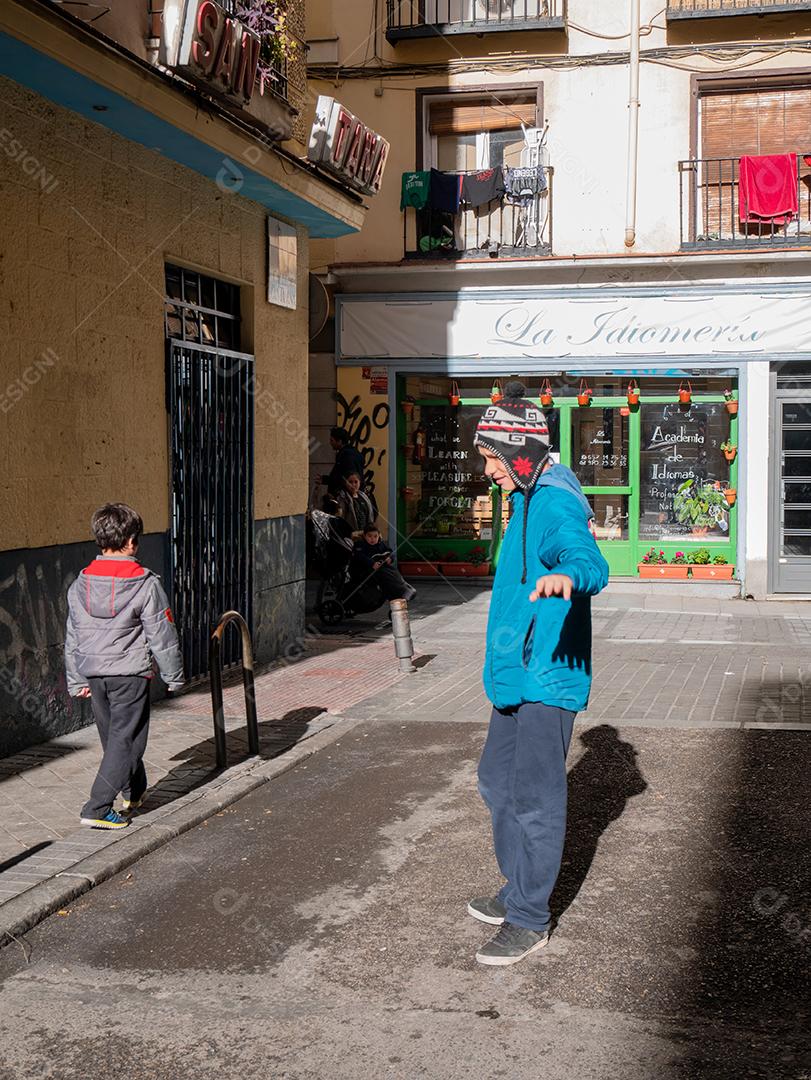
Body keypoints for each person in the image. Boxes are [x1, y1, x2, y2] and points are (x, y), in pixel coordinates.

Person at [468, 381, 609, 967]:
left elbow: (588, 560)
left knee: (533, 794)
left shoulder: (551, 500)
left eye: (492, 461)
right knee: (496, 781)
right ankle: (517, 885)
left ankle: (529, 916)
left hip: (547, 676)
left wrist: (569, 577)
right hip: (515, 671)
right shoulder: (526, 494)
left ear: (518, 453)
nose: (489, 474)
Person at [65, 503, 185, 830]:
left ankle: (134, 791)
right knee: (127, 740)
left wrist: (77, 680)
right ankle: (97, 807)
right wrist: (173, 676)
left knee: (115, 738)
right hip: (129, 674)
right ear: (131, 541)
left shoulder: (80, 584)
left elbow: (72, 635)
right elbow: (162, 632)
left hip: (95, 672)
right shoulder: (144, 583)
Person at [352, 524, 416, 602]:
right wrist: (371, 563)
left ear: (379, 536)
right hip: (366, 569)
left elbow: (389, 551)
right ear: (365, 536)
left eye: (375, 536)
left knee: (393, 572)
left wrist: (390, 558)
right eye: (370, 536)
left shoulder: (380, 544)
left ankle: (405, 589)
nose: (373, 539)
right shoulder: (360, 545)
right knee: (385, 575)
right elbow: (360, 556)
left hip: (381, 566)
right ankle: (398, 594)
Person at [322, 427, 366, 499]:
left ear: (339, 441)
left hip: (347, 498)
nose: (330, 443)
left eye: (332, 440)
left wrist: (326, 480)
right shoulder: (354, 453)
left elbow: (345, 476)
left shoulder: (346, 456)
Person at [334, 472, 376, 538]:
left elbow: (370, 516)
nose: (353, 485)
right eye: (350, 482)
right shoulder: (342, 498)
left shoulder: (364, 497)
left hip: (365, 535)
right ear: (345, 482)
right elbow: (340, 519)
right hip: (351, 535)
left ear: (360, 482)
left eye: (356, 482)